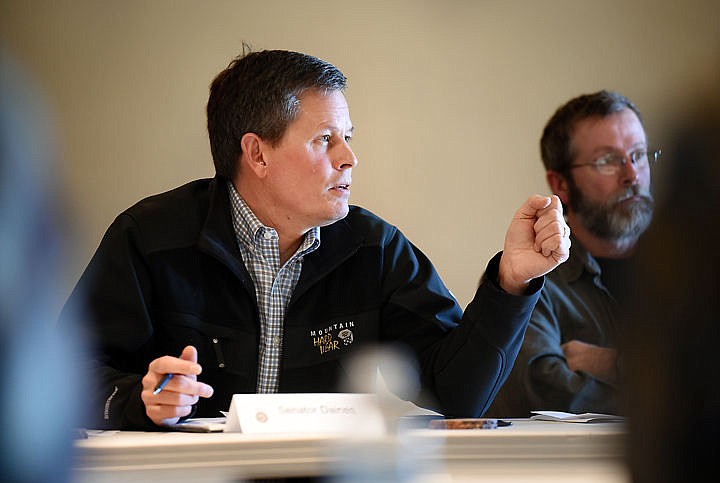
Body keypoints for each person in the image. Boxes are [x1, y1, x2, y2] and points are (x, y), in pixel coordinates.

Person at [59, 48, 570, 430]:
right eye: (325, 139)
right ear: (257, 154)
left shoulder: (375, 249)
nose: (348, 158)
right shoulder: (150, 237)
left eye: (348, 137)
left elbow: (460, 396)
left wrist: (510, 284)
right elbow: (62, 375)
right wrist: (138, 398)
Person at [488, 90, 658, 417]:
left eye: (638, 155)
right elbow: (547, 392)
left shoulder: (692, 266)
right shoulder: (528, 277)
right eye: (608, 161)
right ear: (560, 184)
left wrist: (612, 363)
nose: (632, 175)